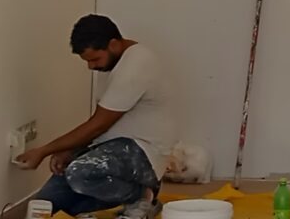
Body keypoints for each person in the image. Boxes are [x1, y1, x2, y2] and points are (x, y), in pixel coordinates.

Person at [13, 14, 178, 218]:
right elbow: (100, 122)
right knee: (49, 202)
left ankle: (142, 194)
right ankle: (131, 195)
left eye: (94, 59)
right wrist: (71, 150)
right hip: (112, 145)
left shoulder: (138, 64)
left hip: (145, 152)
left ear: (113, 44)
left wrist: (44, 151)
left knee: (80, 174)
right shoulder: (112, 63)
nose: (91, 67)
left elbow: (98, 125)